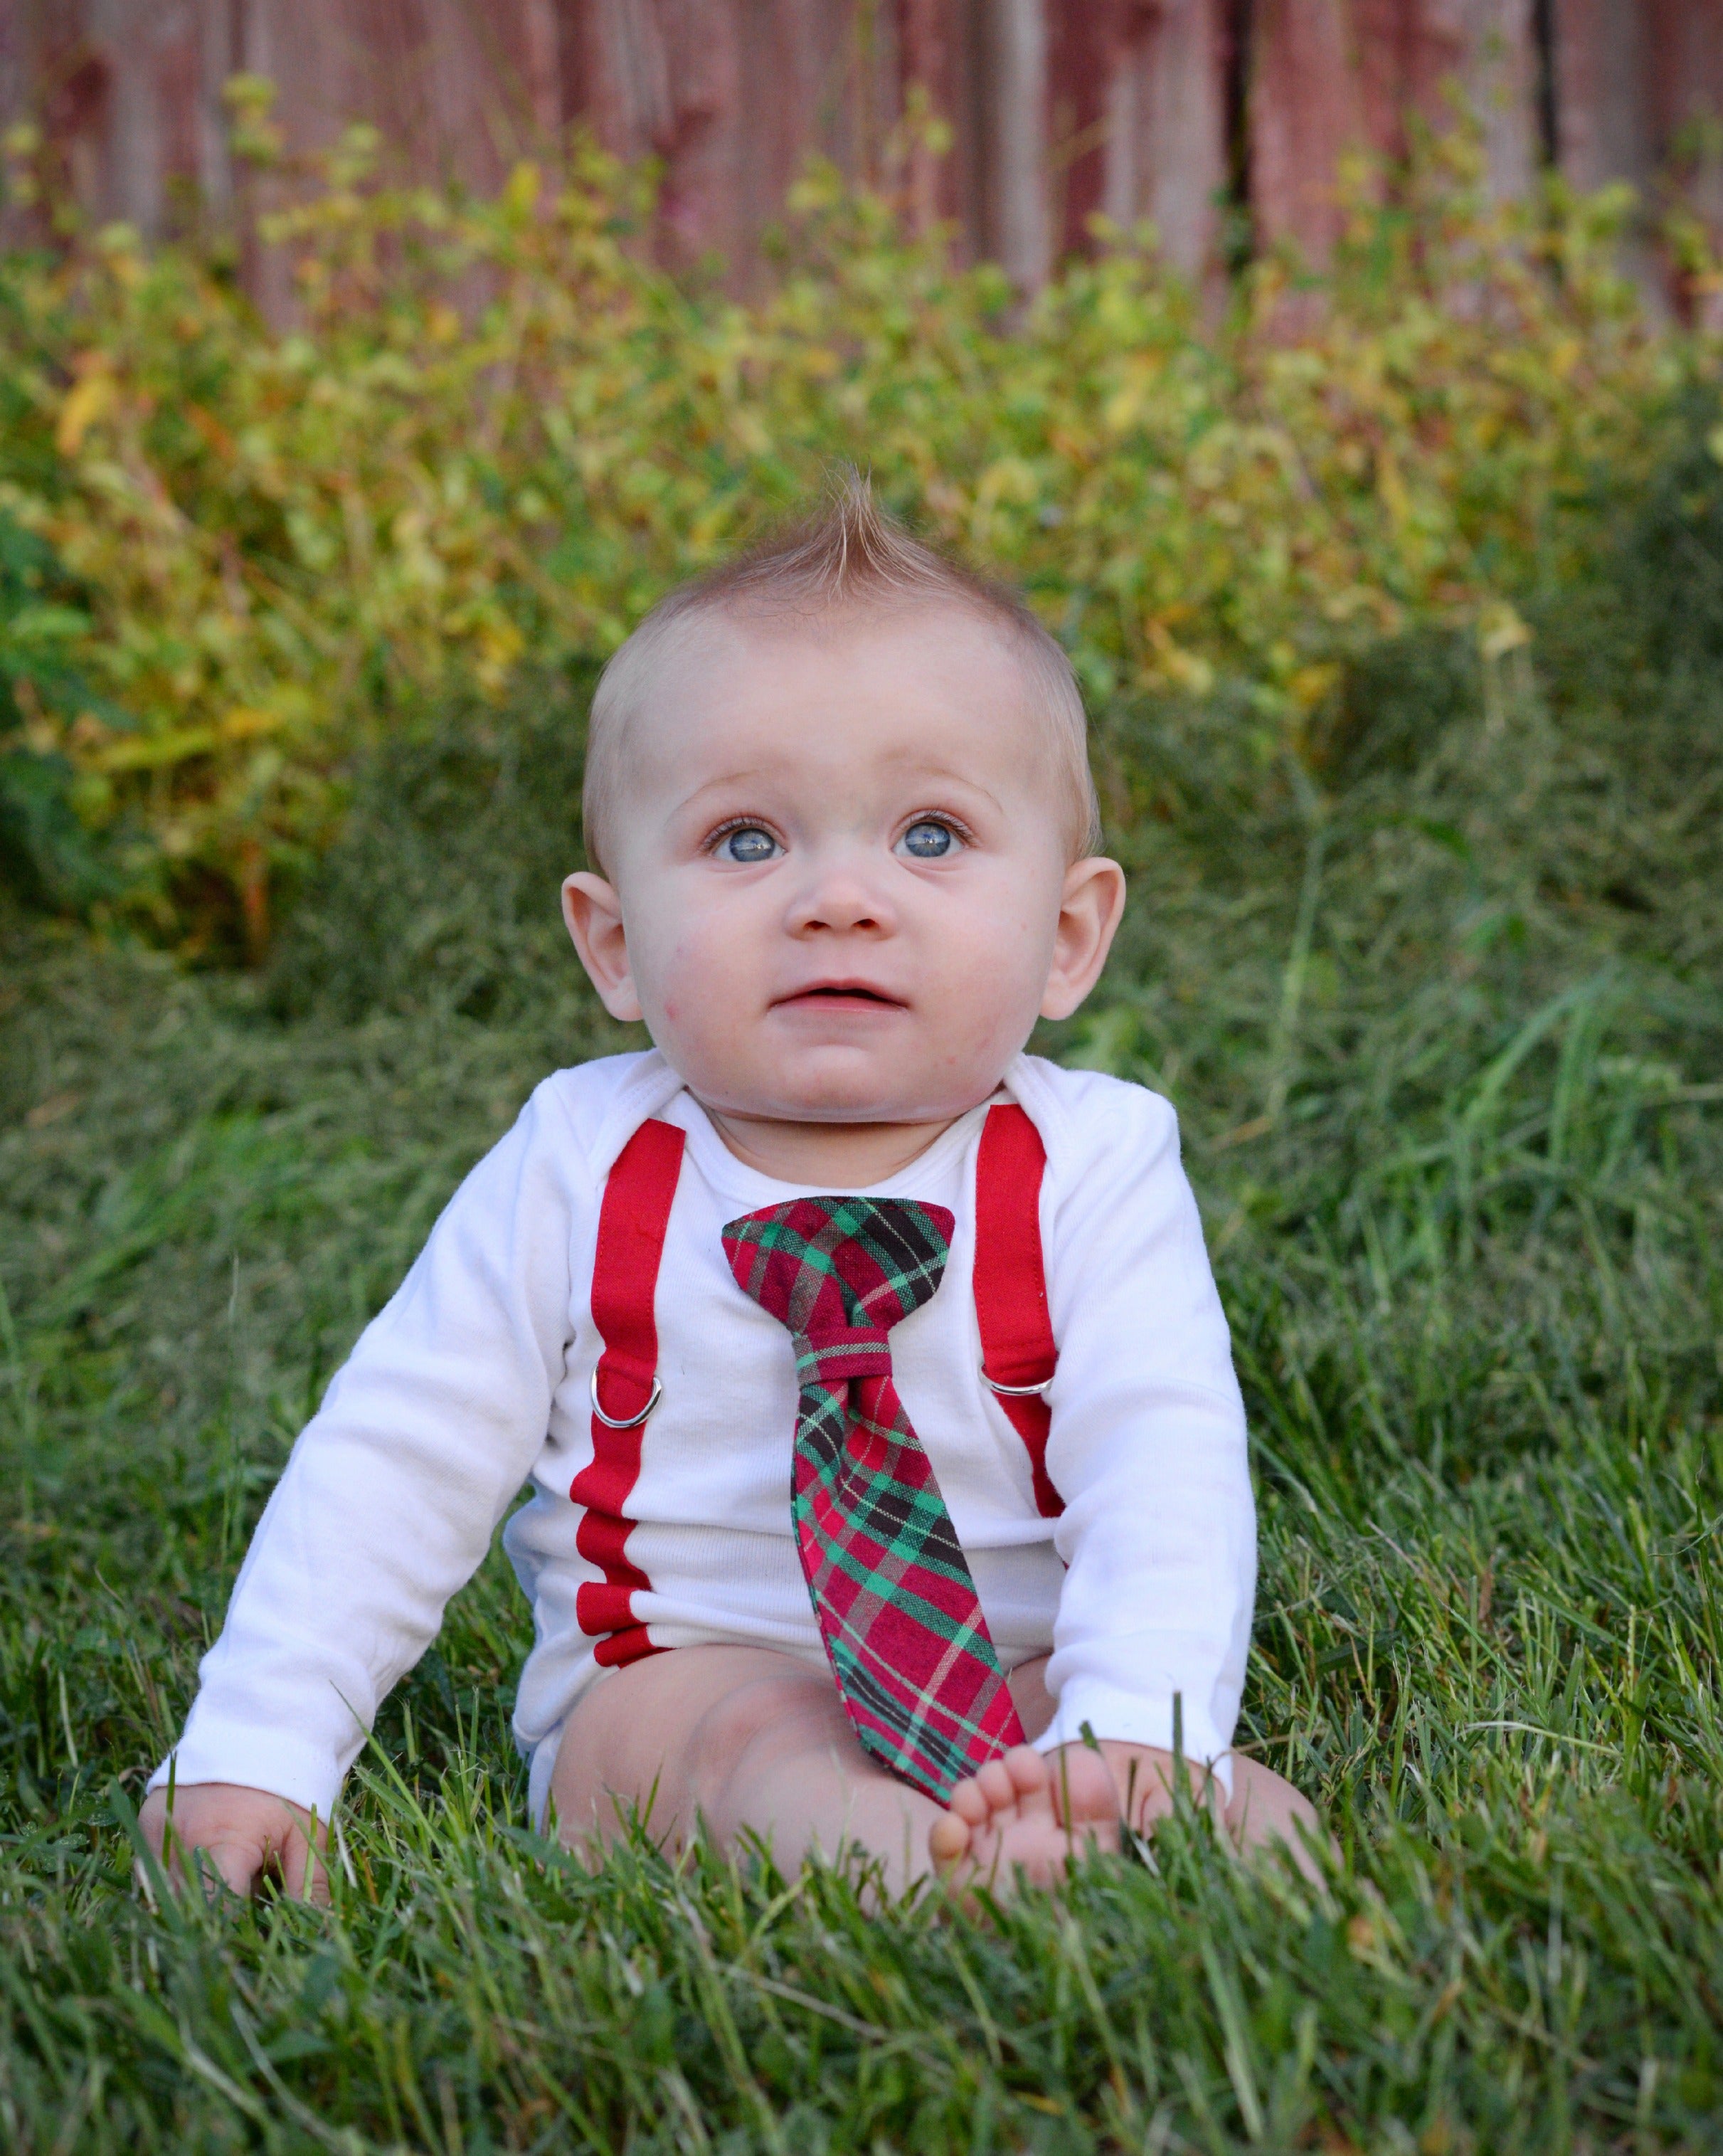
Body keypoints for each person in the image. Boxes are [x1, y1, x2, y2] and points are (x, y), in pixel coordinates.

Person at [139, 477, 1320, 1900]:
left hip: (1018, 1667)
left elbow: (1161, 1464)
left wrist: (1130, 1725)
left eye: (928, 836)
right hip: (674, 1679)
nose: (839, 896)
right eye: (745, 841)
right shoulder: (577, 1161)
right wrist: (260, 1743)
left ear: (1067, 937)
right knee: (753, 1750)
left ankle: (1125, 1840)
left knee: (1240, 1806)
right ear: (614, 944)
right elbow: (395, 1454)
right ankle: (942, 1879)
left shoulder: (1099, 1163)